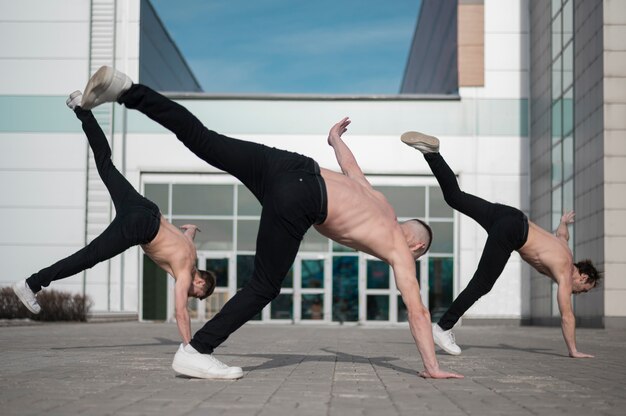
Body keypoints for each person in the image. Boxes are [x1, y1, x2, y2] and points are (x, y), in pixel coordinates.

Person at [79, 65, 463, 380]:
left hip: (291, 165)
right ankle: (196, 350)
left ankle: (128, 91)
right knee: (263, 287)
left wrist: (333, 138)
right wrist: (432, 367)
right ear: (417, 246)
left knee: (205, 140)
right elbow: (419, 312)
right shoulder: (400, 249)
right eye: (421, 254)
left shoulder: (377, 200)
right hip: (303, 197)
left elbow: (348, 164)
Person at [12, 91, 220, 369]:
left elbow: (189, 233)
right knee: (88, 256)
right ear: (199, 283)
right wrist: (189, 346)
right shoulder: (185, 273)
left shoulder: (191, 251)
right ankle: (31, 284)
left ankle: (81, 110)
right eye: (197, 294)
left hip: (146, 207)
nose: (191, 296)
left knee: (105, 163)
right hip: (140, 226)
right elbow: (180, 311)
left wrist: (192, 228)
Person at [401, 131, 601, 358]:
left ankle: (432, 154)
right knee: (483, 283)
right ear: (583, 277)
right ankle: (443, 327)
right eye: (583, 289)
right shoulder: (565, 270)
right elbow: (567, 315)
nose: (577, 292)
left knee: (455, 197)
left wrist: (564, 222)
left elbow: (562, 234)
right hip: (513, 231)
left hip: (509, 215)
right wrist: (573, 350)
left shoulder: (565, 249)